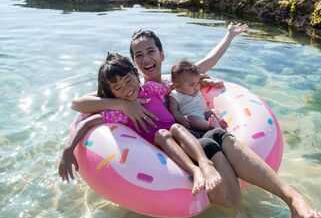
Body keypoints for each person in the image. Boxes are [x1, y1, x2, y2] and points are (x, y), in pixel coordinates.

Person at [70, 23, 321, 218]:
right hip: (176, 144)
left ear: (161, 54)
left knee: (223, 138)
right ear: (135, 63)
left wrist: (226, 41)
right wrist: (121, 104)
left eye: (151, 51)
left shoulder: (168, 84)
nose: (146, 58)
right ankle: (213, 174)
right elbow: (79, 104)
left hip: (195, 133)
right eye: (139, 54)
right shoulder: (131, 90)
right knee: (228, 193)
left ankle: (293, 199)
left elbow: (206, 63)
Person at [59, 52, 222, 196]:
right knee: (163, 133)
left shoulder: (152, 88)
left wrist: (202, 82)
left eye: (128, 80)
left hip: (183, 135)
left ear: (136, 75)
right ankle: (195, 172)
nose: (126, 89)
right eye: (117, 88)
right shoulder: (120, 112)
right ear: (111, 94)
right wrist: (68, 149)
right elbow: (87, 123)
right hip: (159, 150)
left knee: (176, 127)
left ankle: (205, 164)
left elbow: (175, 86)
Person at [169, 59, 228, 132]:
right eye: (192, 85)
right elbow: (173, 110)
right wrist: (180, 118)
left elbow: (204, 82)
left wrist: (212, 82)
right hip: (190, 120)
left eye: (198, 83)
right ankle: (210, 126)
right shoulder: (175, 95)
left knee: (213, 111)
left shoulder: (195, 89)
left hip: (203, 115)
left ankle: (220, 121)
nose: (197, 87)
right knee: (192, 119)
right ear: (177, 86)